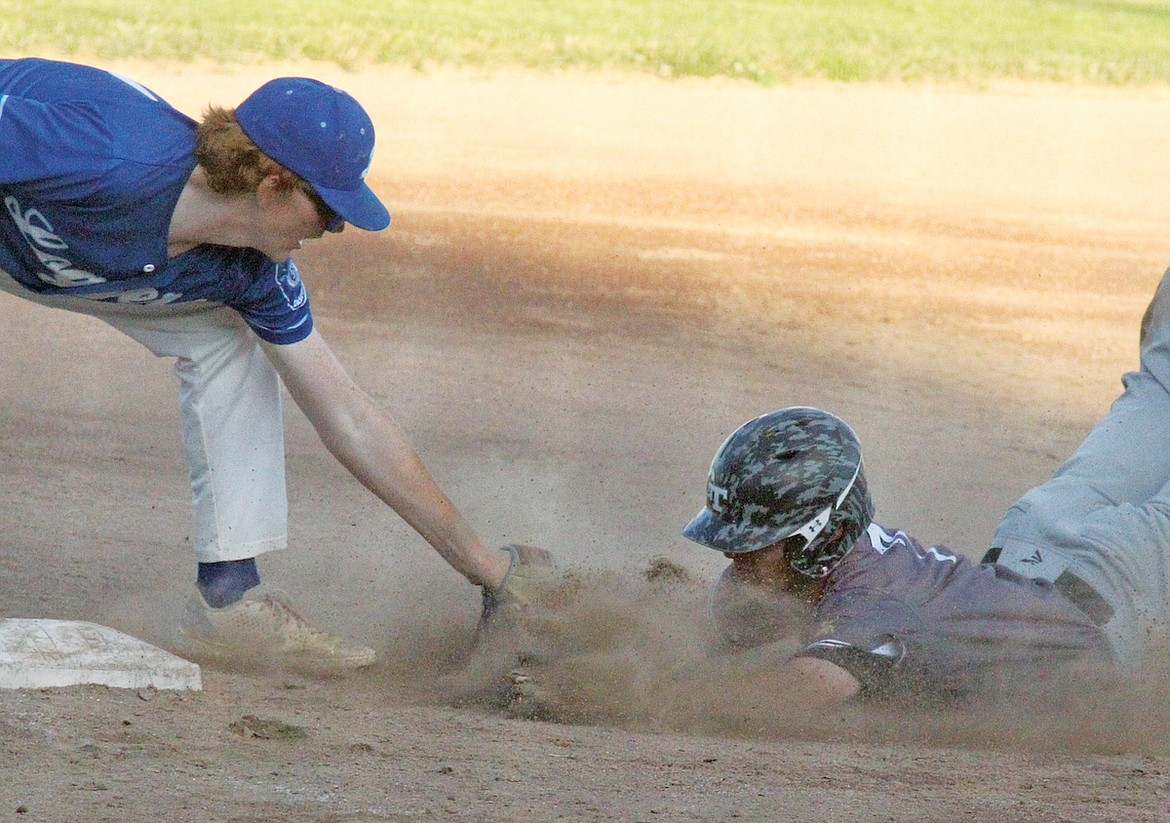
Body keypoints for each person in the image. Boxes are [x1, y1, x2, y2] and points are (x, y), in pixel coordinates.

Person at [0, 57, 555, 675]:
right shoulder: (108, 155)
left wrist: (487, 566)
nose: (339, 227)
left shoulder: (251, 274)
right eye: (328, 207)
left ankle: (227, 600)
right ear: (272, 185)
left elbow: (347, 415)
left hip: (64, 262)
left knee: (225, 342)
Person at [680, 401, 1124, 708]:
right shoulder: (825, 561)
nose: (731, 555)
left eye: (754, 541)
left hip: (1119, 608)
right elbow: (694, 637)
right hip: (1034, 556)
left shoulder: (874, 598)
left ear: (818, 537)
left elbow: (786, 699)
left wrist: (653, 699)